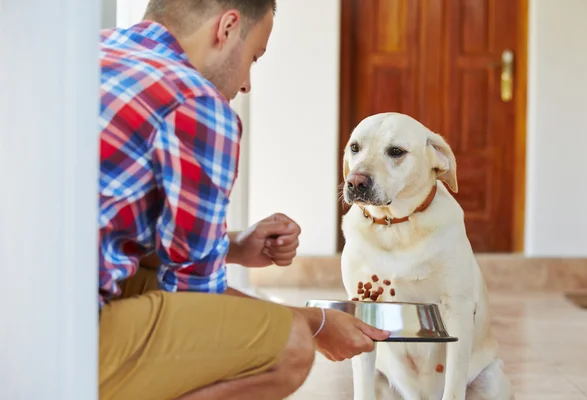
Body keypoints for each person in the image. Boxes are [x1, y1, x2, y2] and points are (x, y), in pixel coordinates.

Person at [97, 0, 391, 399]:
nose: (248, 83)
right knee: (288, 347)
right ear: (228, 27)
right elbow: (194, 303)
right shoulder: (196, 101)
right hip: (59, 339)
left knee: (144, 281)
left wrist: (232, 246)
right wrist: (315, 324)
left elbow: (118, 235)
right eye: (255, 56)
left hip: (27, 309)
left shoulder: (96, 52)